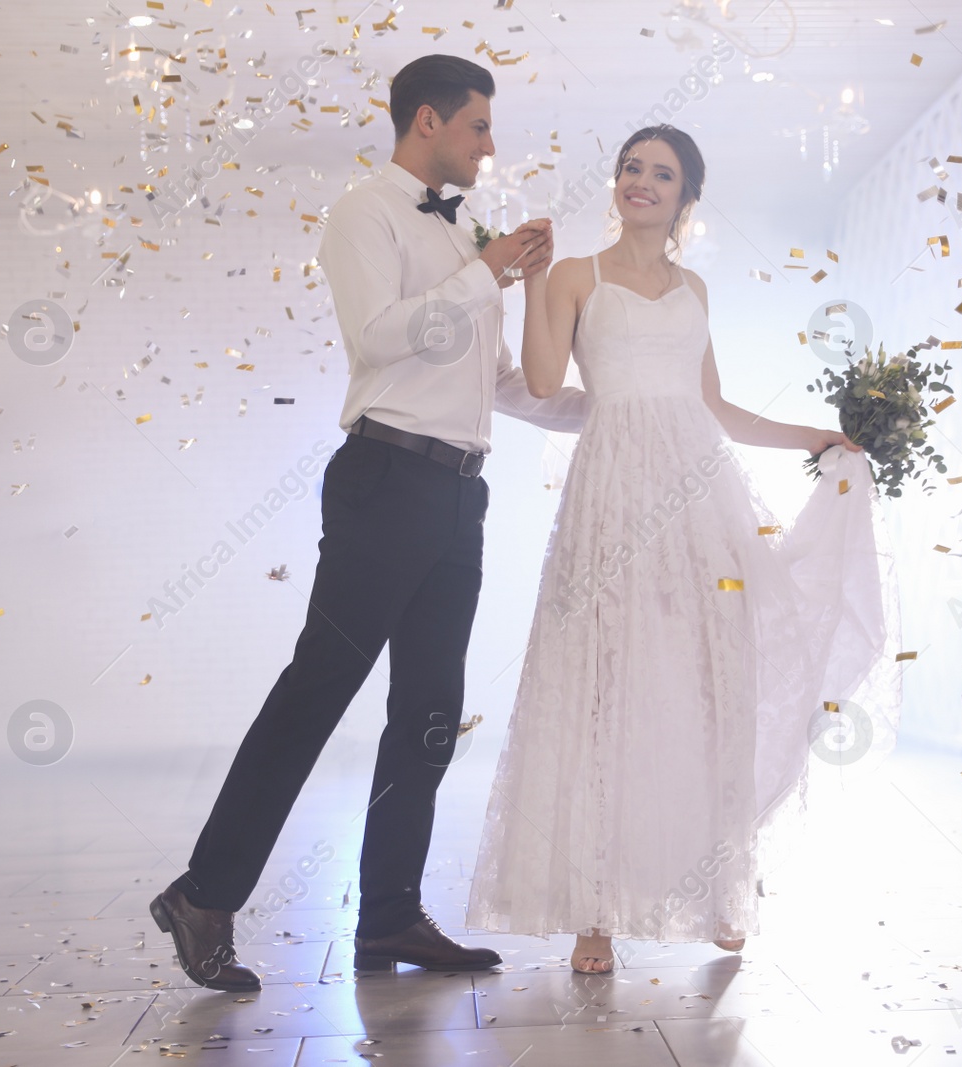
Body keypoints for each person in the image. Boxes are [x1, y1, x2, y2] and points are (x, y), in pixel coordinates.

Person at [149, 54, 585, 989]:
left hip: (461, 492)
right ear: (426, 122)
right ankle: (204, 894)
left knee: (428, 717)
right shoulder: (366, 214)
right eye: (478, 126)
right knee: (318, 690)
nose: (489, 145)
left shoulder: (469, 231)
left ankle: (389, 915)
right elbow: (379, 338)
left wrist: (612, 407)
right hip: (384, 479)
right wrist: (488, 274)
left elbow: (495, 382)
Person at [464, 125, 898, 973]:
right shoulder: (580, 276)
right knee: (604, 686)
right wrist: (536, 278)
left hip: (699, 498)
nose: (641, 182)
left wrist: (816, 435)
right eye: (631, 168)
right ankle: (594, 910)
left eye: (661, 174)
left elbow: (717, 410)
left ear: (686, 198)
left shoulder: (695, 287)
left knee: (706, 684)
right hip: (613, 494)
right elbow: (547, 383)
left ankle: (713, 891)